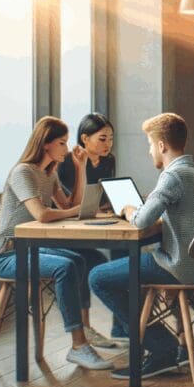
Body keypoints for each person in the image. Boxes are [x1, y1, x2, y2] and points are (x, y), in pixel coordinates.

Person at [90, 113, 194, 380]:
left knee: (98, 277)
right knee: (131, 273)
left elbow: (141, 221)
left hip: (175, 266)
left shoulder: (172, 177)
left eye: (150, 145)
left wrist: (128, 210)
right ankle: (160, 343)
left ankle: (161, 348)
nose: (150, 152)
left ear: (161, 145)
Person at [0, 117, 111, 370]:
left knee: (80, 260)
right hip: (5, 256)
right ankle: (78, 345)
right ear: (46, 145)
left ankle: (82, 332)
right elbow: (41, 214)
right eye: (62, 143)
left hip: (31, 249)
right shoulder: (23, 172)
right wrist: (75, 210)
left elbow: (68, 204)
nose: (67, 149)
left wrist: (80, 167)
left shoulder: (48, 174)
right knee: (64, 267)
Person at [55, 112, 126, 345]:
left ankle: (122, 325)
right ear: (85, 138)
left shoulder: (109, 161)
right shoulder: (65, 161)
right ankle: (85, 328)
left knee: (123, 253)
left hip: (94, 222)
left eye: (111, 139)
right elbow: (72, 203)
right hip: (68, 228)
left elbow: (103, 197)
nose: (108, 144)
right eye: (102, 139)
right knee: (85, 259)